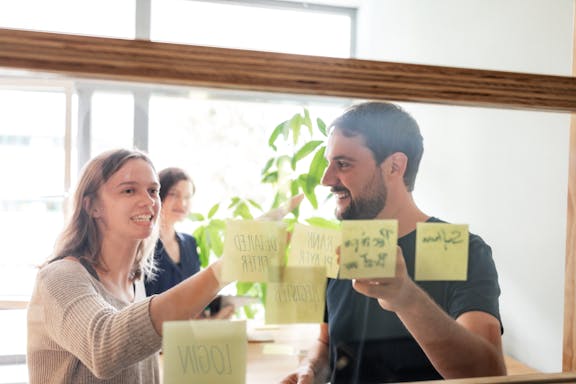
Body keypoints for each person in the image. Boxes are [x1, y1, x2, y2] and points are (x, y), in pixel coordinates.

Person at [281, 102, 505, 383]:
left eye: (343, 164)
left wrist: (405, 298)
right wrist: (311, 369)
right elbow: (326, 343)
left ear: (395, 166)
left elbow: (489, 373)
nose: (327, 179)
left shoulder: (462, 248)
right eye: (329, 163)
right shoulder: (342, 247)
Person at [26, 149, 227, 384]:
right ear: (92, 206)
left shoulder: (136, 283)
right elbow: (104, 348)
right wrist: (224, 270)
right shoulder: (59, 277)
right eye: (129, 190)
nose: (148, 201)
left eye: (153, 191)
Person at [144, 167, 234, 319]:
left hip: (186, 336)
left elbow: (195, 298)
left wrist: (211, 316)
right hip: (155, 336)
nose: (182, 203)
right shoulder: (143, 245)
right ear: (157, 195)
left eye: (188, 197)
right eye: (174, 194)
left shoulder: (190, 244)